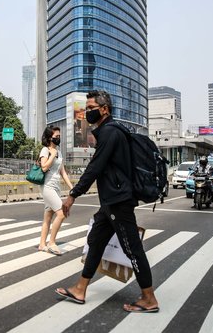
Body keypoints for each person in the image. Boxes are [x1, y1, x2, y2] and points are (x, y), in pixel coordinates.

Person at [57, 90, 159, 313]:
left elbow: (95, 167)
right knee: (96, 240)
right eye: (86, 108)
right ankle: (80, 288)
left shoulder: (110, 133)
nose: (87, 112)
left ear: (105, 109)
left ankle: (149, 298)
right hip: (112, 201)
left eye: (91, 108)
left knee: (132, 248)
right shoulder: (112, 130)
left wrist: (73, 195)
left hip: (118, 201)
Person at [37, 126, 73, 255]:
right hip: (47, 186)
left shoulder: (59, 151)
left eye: (59, 136)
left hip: (56, 187)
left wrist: (72, 188)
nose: (58, 138)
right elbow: (44, 167)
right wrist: (52, 155)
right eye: (56, 136)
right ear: (49, 137)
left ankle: (42, 244)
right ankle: (52, 242)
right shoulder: (45, 150)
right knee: (61, 214)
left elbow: (62, 172)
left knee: (48, 217)